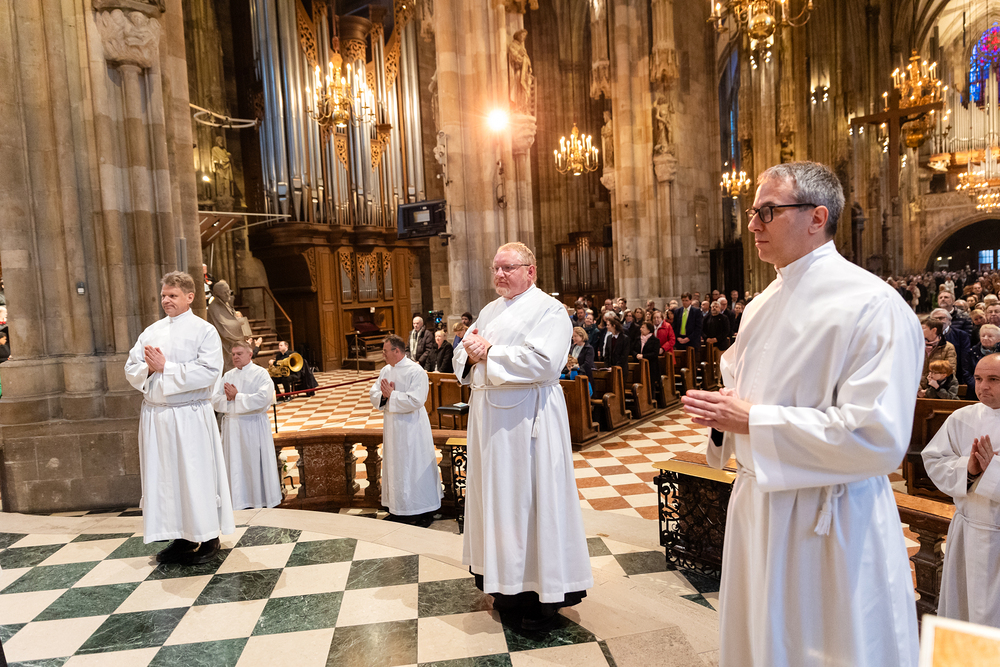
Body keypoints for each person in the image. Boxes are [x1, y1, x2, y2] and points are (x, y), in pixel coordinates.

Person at [682, 162, 922, 667]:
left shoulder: (872, 304)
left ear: (817, 217)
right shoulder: (761, 305)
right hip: (757, 508)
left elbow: (877, 437)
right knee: (759, 644)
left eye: (768, 211)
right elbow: (744, 395)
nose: (752, 225)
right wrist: (723, 418)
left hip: (828, 522)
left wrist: (751, 421)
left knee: (825, 647)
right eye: (753, 212)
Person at [453, 242, 593, 632]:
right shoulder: (489, 310)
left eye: (508, 268)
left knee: (530, 500)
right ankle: (504, 586)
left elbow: (544, 362)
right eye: (495, 268)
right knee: (496, 501)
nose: (499, 274)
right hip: (489, 424)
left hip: (527, 422)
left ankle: (540, 593)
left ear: (530, 271)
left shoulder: (550, 310)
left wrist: (490, 352)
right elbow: (463, 352)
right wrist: (472, 353)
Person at [124, 271, 235, 565]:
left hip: (190, 415)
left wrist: (166, 368)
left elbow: (209, 372)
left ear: (190, 297)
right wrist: (148, 369)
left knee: (195, 476)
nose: (166, 300)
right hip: (157, 416)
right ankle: (182, 537)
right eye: (163, 295)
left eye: (172, 296)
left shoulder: (204, 331)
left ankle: (208, 537)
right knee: (167, 479)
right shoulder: (151, 331)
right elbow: (131, 367)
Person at [921, 353, 1000, 627]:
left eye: (993, 379)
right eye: (978, 378)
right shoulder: (962, 417)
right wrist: (970, 469)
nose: (983, 386)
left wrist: (993, 470)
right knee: (963, 609)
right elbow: (934, 459)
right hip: (968, 531)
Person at [369, 335, 441, 527]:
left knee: (415, 465)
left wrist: (392, 395)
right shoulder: (386, 370)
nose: (383, 355)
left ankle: (424, 510)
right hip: (393, 428)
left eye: (385, 351)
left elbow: (417, 400)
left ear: (397, 351)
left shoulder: (416, 371)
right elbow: (374, 393)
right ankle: (398, 509)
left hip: (412, 429)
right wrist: (384, 397)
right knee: (396, 467)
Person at [211, 340, 281, 510]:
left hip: (253, 426)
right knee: (235, 464)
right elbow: (214, 400)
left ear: (250, 354)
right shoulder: (228, 376)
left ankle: (258, 500)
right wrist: (228, 399)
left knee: (253, 464)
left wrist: (237, 397)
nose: (235, 357)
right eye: (233, 354)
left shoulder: (261, 374)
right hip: (232, 427)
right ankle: (237, 501)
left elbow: (263, 398)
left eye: (239, 354)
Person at [206, 281, 249, 374]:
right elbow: (223, 326)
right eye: (224, 292)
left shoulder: (226, 304)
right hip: (224, 343)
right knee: (228, 369)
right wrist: (239, 324)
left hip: (232, 343)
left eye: (228, 291)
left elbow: (231, 319)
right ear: (217, 294)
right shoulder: (214, 307)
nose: (227, 294)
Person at [919, 318, 957, 398]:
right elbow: (910, 370)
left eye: (923, 328)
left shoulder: (948, 347)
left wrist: (932, 389)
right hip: (917, 391)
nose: (919, 330)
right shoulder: (917, 346)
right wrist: (919, 390)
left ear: (934, 330)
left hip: (937, 391)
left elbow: (950, 371)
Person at [969, 324, 1000, 401]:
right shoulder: (972, 351)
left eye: (990, 336)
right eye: (983, 336)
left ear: (998, 339)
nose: (985, 338)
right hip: (974, 391)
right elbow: (967, 372)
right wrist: (978, 386)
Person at [636, 321, 663, 400]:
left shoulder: (655, 340)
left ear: (648, 330)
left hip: (651, 365)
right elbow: (632, 349)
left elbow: (655, 353)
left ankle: (650, 399)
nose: (640, 329)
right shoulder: (637, 339)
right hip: (639, 364)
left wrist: (643, 356)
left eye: (643, 327)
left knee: (650, 383)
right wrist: (636, 355)